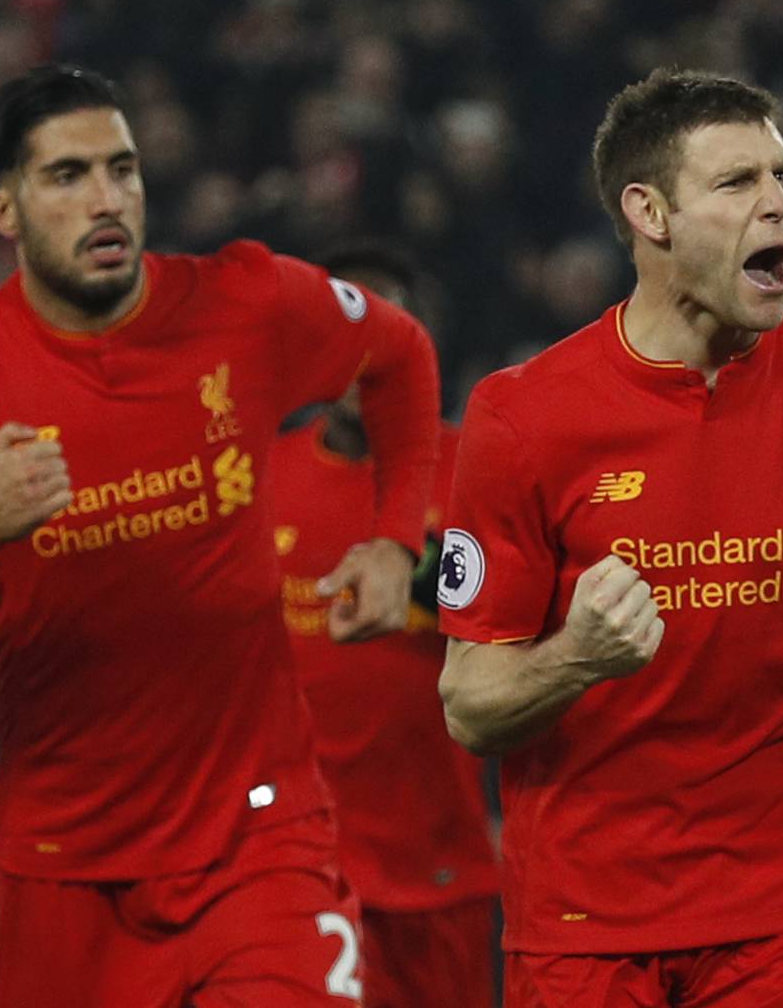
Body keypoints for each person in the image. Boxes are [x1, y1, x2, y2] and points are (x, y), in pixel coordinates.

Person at [0, 63, 441, 1007]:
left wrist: (394, 539)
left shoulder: (245, 301)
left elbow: (399, 353)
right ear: (4, 211)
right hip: (68, 869)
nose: (106, 199)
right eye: (67, 176)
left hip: (261, 836)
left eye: (122, 169)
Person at [436, 67, 783, 1007]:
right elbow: (469, 703)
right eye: (737, 183)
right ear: (649, 213)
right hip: (584, 924)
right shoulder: (523, 418)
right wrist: (576, 657)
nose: (780, 205)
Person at [273, 242, 501, 1008]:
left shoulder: (476, 468)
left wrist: (416, 573)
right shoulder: (254, 480)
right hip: (291, 864)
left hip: (440, 863)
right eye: (343, 324)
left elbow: (532, 609)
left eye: (386, 324)